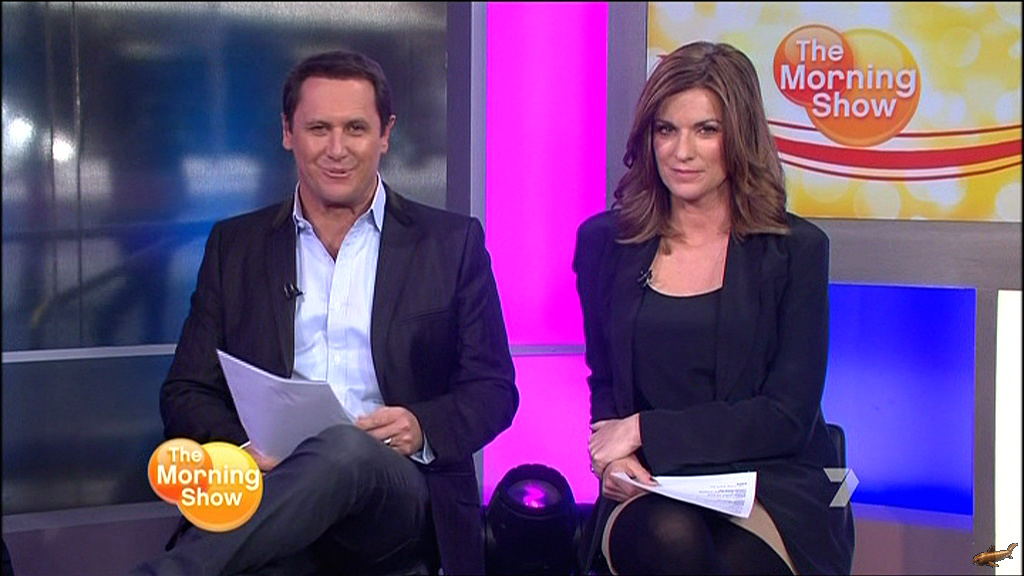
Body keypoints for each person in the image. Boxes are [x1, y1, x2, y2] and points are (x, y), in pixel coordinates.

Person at [129, 49, 518, 576]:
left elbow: (493, 389)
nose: (337, 150)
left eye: (355, 128)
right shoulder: (235, 246)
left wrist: (420, 426)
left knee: (343, 449)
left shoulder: (450, 243)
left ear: (385, 134)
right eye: (318, 129)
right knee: (274, 556)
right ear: (288, 133)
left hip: (397, 494)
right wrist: (245, 449)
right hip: (273, 483)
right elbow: (186, 391)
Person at [573, 41, 855, 575]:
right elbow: (606, 382)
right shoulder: (606, 244)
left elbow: (787, 417)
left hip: (770, 485)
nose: (682, 151)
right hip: (653, 485)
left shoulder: (795, 251)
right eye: (666, 130)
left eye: (706, 130)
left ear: (740, 137)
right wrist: (613, 456)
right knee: (669, 535)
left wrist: (643, 430)